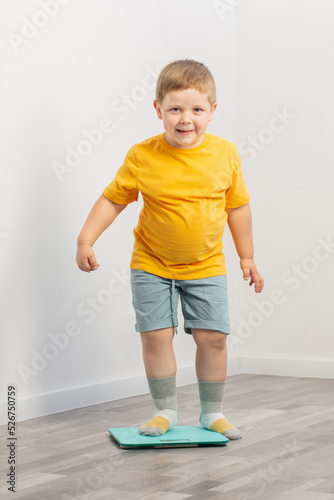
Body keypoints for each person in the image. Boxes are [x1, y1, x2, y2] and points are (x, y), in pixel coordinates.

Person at [76, 59, 264, 440]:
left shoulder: (225, 154)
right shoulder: (143, 155)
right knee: (155, 336)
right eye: (175, 108)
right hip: (151, 264)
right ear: (158, 109)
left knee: (213, 337)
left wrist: (247, 256)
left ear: (213, 112)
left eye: (197, 109)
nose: (185, 119)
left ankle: (212, 413)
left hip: (206, 265)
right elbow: (113, 200)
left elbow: (237, 207)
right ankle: (165, 410)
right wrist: (86, 239)